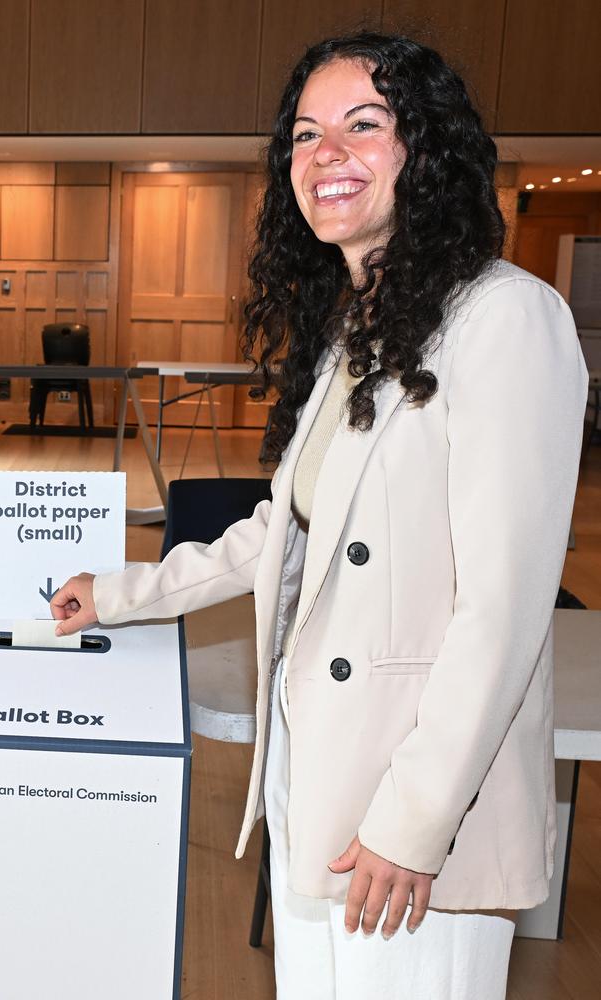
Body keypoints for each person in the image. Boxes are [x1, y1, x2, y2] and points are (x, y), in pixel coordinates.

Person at [51, 32, 589, 1000]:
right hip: (315, 768)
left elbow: (501, 611)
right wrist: (122, 592)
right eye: (304, 133)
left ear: (424, 150)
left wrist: (414, 818)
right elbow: (283, 534)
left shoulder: (507, 317)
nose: (323, 152)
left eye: (362, 124)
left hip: (407, 802)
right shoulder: (355, 328)